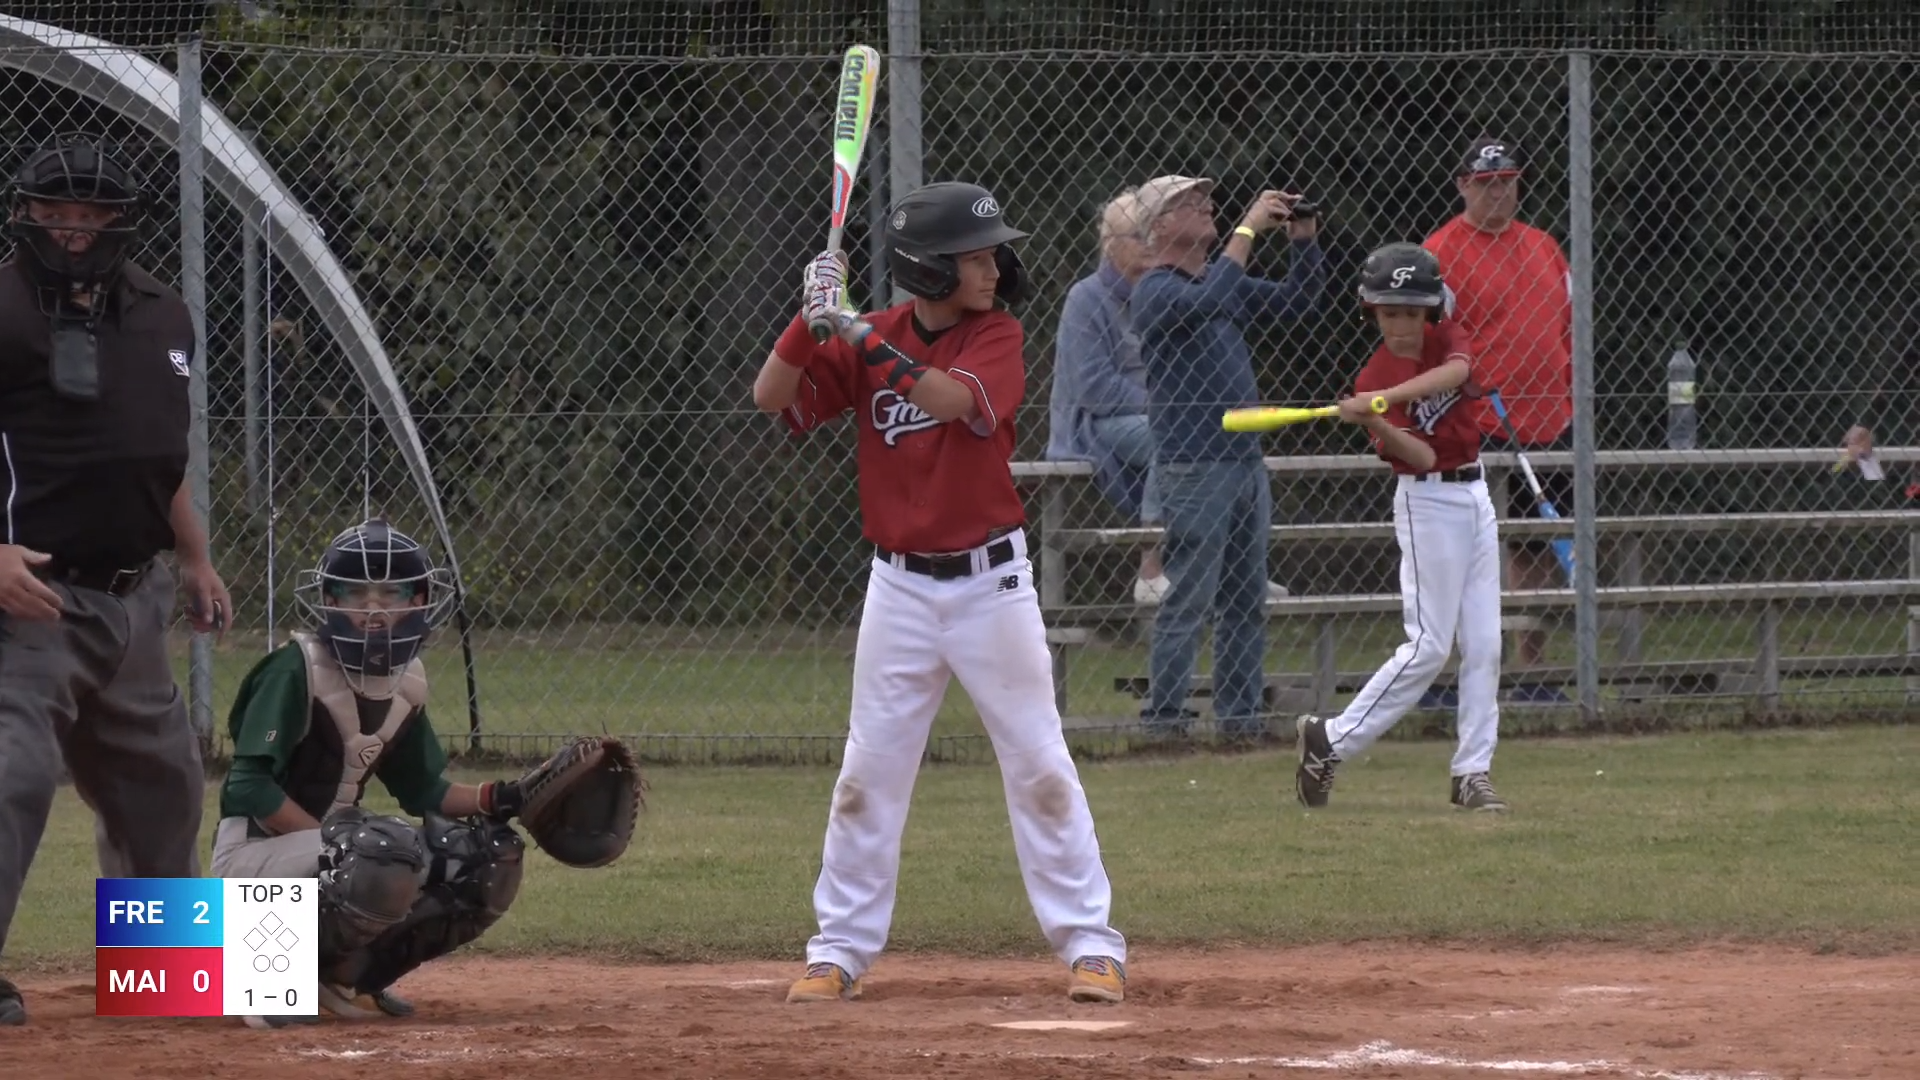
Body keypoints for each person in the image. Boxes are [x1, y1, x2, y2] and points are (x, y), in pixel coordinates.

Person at [752, 180, 1129, 1005]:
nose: (993, 269)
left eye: (992, 255)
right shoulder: (875, 336)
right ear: (929, 269)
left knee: (1039, 766)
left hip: (992, 584)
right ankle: (838, 950)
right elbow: (771, 397)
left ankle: (1091, 945)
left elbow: (951, 400)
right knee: (867, 775)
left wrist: (853, 331)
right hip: (898, 589)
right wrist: (808, 318)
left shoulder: (996, 334)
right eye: (975, 257)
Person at [0, 134, 232, 1027]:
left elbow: (155, 455)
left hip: (135, 599)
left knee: (164, 789)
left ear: (120, 222)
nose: (72, 228)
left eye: (90, 213)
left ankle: (163, 976)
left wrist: (196, 557)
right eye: (54, 211)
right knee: (13, 774)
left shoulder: (164, 315)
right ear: (24, 215)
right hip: (27, 601)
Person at [212, 517, 530, 1029]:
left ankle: (349, 977)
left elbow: (424, 790)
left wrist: (504, 797)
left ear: (419, 601)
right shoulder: (295, 668)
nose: (375, 608)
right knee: (382, 854)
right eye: (356, 593)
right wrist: (342, 845)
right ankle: (264, 977)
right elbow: (249, 788)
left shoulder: (407, 681)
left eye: (392, 593)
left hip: (320, 853)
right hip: (253, 856)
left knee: (482, 858)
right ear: (329, 601)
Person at [1293, 243, 1508, 813]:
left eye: (1413, 311)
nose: (1403, 324)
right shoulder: (1374, 372)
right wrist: (1378, 423)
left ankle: (1472, 771)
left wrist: (1383, 401)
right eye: (1390, 312)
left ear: (1430, 309)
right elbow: (1419, 456)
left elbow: (1459, 371)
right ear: (1372, 311)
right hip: (1428, 502)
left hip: (1476, 494)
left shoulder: (1443, 340)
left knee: (1485, 644)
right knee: (1429, 646)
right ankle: (1332, 738)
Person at [1131, 174, 1325, 738]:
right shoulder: (1156, 289)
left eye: (1204, 200)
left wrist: (1304, 240)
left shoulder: (1220, 280)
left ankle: (1240, 719)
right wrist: (1248, 228)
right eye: (1186, 204)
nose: (1205, 206)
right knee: (1189, 597)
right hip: (1195, 464)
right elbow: (1209, 299)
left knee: (1245, 599)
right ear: (1158, 228)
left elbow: (1300, 302)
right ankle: (1165, 721)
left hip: (1242, 461)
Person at [1424, 137, 1572, 701]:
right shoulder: (1441, 252)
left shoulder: (1543, 246)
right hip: (1477, 423)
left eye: (1507, 182)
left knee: (1532, 553)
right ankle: (1453, 673)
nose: (1498, 193)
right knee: (1467, 553)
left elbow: (1568, 326)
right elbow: (1428, 341)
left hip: (1548, 421)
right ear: (1463, 185)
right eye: (1486, 183)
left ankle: (1530, 673)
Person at [1045, 188, 1167, 602]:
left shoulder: (1163, 294)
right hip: (1095, 424)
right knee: (1172, 436)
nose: (1150, 244)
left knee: (1227, 440)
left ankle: (1238, 570)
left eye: (1154, 235)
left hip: (1156, 415)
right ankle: (1151, 566)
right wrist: (1165, 406)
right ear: (1111, 245)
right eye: (1139, 236)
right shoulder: (1086, 298)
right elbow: (1095, 388)